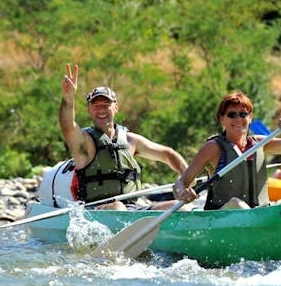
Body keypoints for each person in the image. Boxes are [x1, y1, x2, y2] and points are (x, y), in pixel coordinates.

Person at [59, 63, 189, 210]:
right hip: (96, 210)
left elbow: (167, 154)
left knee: (179, 207)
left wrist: (187, 176)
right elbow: (67, 126)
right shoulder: (84, 141)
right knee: (117, 207)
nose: (101, 110)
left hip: (132, 210)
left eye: (106, 105)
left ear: (116, 107)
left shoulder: (131, 140)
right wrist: (68, 98)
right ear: (89, 110)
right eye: (96, 106)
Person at [172, 91, 281, 210]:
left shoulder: (259, 143)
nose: (238, 119)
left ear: (250, 118)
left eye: (243, 114)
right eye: (232, 115)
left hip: (261, 213)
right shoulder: (213, 147)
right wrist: (183, 193)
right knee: (237, 204)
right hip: (222, 215)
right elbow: (181, 183)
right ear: (222, 119)